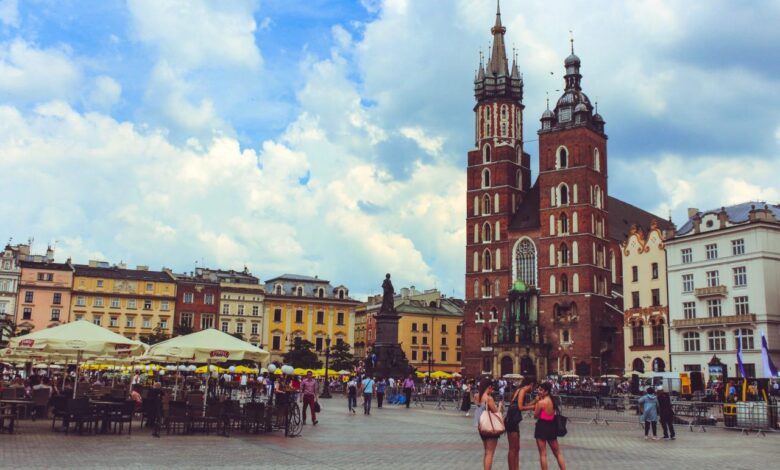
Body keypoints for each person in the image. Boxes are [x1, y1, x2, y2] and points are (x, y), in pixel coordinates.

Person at [533, 382, 567, 470]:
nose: (539, 391)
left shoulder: (541, 402)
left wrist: (537, 401)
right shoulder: (552, 400)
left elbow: (535, 416)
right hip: (552, 426)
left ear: (546, 391)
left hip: (542, 426)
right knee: (558, 453)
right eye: (538, 389)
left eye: (541, 390)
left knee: (543, 454)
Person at [506, 381, 537, 470]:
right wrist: (534, 407)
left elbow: (523, 405)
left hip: (512, 420)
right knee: (513, 448)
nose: (533, 390)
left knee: (516, 448)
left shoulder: (520, 390)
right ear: (531, 384)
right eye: (534, 387)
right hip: (512, 420)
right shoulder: (523, 390)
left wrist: (535, 401)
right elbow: (520, 407)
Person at [475, 377, 501, 470]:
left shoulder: (477, 396)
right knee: (490, 453)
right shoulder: (489, 398)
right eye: (492, 388)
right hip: (490, 427)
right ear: (489, 387)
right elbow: (495, 412)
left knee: (486, 452)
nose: (492, 390)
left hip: (482, 426)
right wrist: (500, 406)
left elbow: (479, 411)